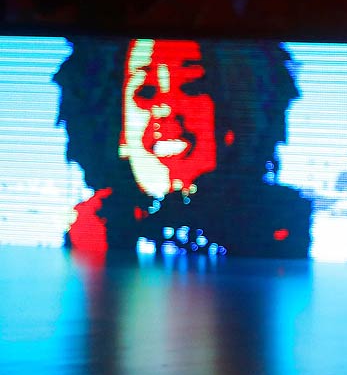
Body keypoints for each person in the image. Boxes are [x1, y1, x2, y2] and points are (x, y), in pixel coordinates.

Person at [54, 38, 312, 259]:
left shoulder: (277, 224)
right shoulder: (92, 230)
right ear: (118, 130)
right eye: (146, 92)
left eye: (192, 87)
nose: (165, 110)